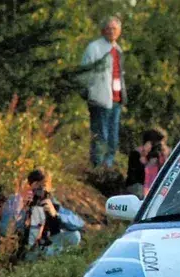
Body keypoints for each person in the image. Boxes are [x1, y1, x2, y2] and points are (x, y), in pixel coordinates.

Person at [0, 168, 84, 261]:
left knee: (75, 235)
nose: (39, 191)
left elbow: (79, 223)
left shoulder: (50, 202)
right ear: (28, 186)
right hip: (25, 249)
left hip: (45, 245)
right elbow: (4, 229)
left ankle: (49, 258)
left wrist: (56, 214)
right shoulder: (16, 200)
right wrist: (20, 207)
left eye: (43, 186)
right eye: (36, 186)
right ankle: (40, 259)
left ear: (49, 187)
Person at [79, 16, 127, 168]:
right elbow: (84, 72)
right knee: (101, 136)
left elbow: (119, 75)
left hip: (116, 100)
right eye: (109, 28)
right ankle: (97, 167)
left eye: (114, 29)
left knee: (113, 138)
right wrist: (89, 94)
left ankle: (108, 168)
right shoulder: (94, 48)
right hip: (99, 99)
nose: (111, 31)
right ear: (103, 31)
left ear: (119, 31)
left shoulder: (118, 49)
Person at [125, 127, 171, 199]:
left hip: (155, 185)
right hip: (139, 185)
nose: (157, 147)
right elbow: (134, 176)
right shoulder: (137, 153)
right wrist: (145, 156)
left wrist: (163, 156)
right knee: (140, 194)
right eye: (155, 144)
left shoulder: (164, 154)